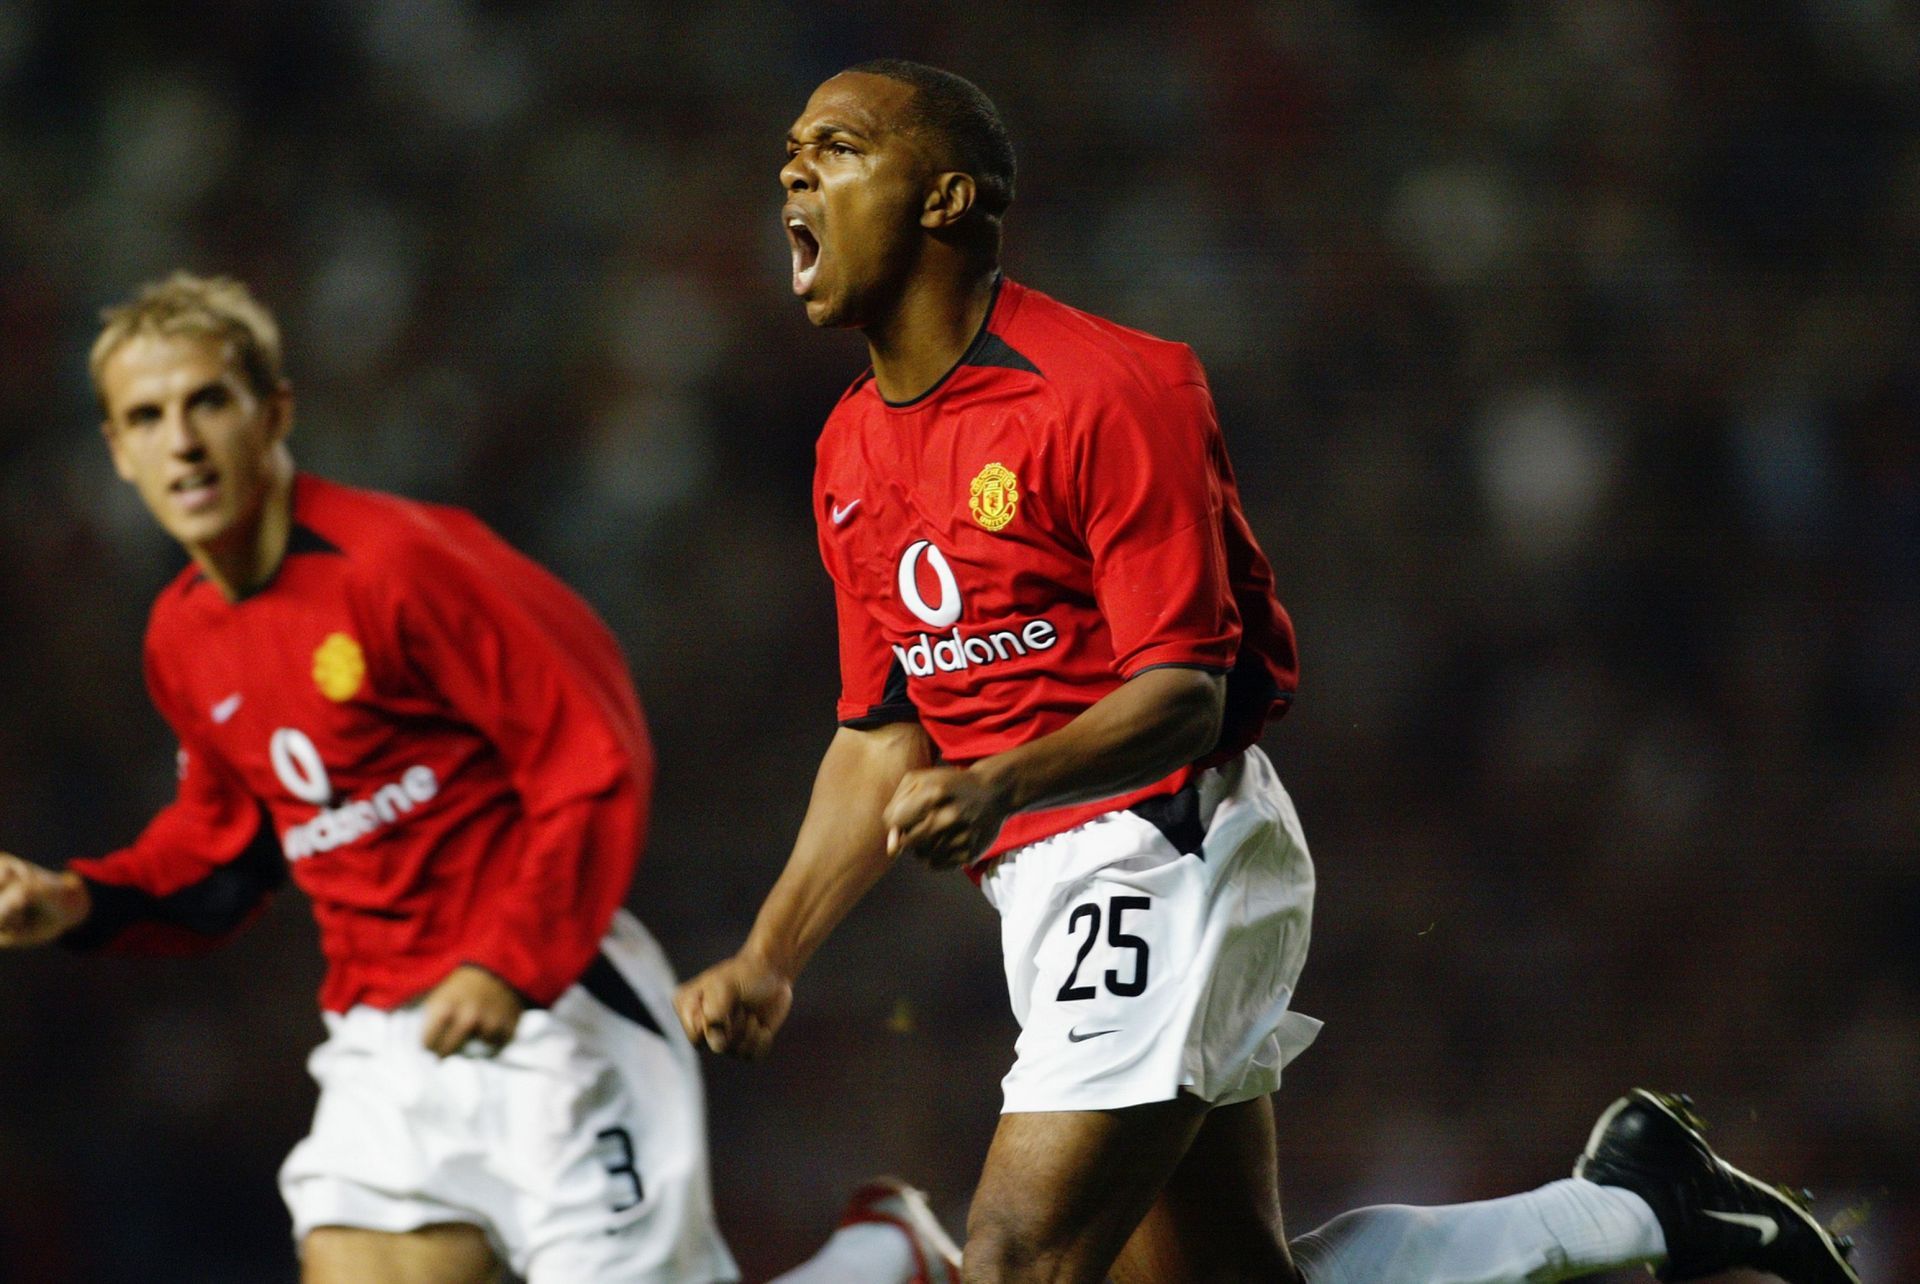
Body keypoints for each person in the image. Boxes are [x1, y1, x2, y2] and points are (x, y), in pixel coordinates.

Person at [672, 60, 1866, 1284]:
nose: (794, 168)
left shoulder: (1109, 389)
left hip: (1163, 845)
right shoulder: (847, 452)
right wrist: (772, 955)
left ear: (945, 198)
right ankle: (1639, 1207)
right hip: (1043, 886)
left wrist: (1001, 783)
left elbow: (1185, 686)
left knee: (1015, 1259)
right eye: (791, 150)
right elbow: (881, 735)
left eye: (839, 143)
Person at [0, 273, 962, 1284]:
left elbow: (593, 758)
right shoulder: (183, 635)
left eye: (208, 402)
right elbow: (226, 854)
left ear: (273, 412)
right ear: (116, 450)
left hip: (556, 1015)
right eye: (146, 417)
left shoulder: (406, 565)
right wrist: (78, 899)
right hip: (383, 1050)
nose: (182, 441)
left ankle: (885, 1259)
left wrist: (510, 961)